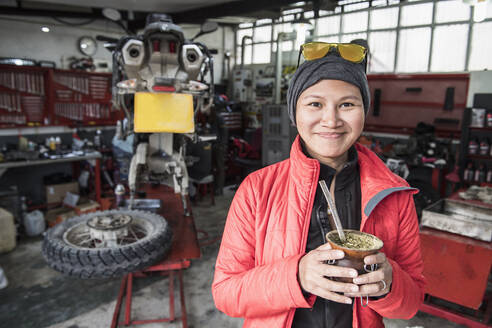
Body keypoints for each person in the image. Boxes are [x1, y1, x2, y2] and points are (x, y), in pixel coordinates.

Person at [212, 41, 425, 328]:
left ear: (365, 110)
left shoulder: (395, 196)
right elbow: (226, 293)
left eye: (347, 104)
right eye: (315, 103)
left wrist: (390, 283)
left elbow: (411, 304)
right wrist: (296, 276)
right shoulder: (256, 190)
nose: (331, 120)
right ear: (294, 111)